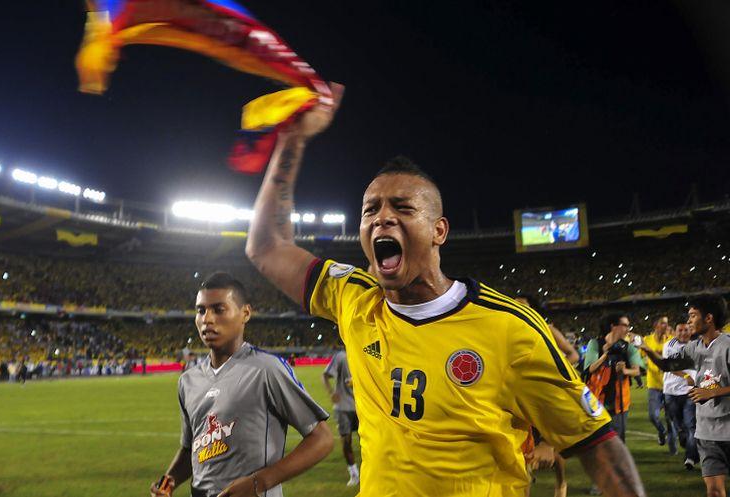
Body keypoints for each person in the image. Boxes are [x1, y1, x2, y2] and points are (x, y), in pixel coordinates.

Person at [245, 83, 645, 497]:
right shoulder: (354, 299)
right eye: (371, 210)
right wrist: (292, 141)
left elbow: (597, 444)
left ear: (439, 231)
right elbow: (266, 246)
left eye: (402, 207)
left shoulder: (508, 328)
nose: (382, 218)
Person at [149, 272, 333, 497]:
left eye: (218, 309)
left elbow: (322, 439)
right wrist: (169, 481)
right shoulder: (188, 381)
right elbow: (192, 449)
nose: (207, 319)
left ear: (245, 313)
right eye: (201, 310)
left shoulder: (266, 370)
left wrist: (260, 482)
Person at [640, 296, 730, 497]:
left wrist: (713, 391)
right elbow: (667, 366)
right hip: (707, 431)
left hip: (729, 427)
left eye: (692, 316)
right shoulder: (695, 346)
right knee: (714, 492)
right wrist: (648, 351)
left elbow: (712, 389)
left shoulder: (727, 345)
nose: (688, 321)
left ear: (708, 318)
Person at [515, 296, 577, 497]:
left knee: (556, 455)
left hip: (546, 396)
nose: (517, 309)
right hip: (520, 399)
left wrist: (552, 370)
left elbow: (573, 354)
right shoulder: (509, 330)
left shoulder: (546, 328)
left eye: (522, 305)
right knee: (523, 456)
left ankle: (561, 487)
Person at [583, 313, 643, 442]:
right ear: (613, 327)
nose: (628, 329)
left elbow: (636, 371)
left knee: (617, 441)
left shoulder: (629, 348)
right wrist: (605, 354)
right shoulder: (595, 344)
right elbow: (590, 368)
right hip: (596, 401)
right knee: (597, 442)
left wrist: (625, 370)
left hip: (619, 402)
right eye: (624, 325)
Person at [661, 322, 698, 470]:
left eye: (686, 330)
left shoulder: (697, 345)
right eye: (680, 330)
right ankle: (687, 443)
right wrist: (686, 376)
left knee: (691, 426)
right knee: (679, 426)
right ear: (675, 332)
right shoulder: (669, 345)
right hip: (671, 391)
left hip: (689, 392)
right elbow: (670, 366)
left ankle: (690, 457)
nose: (683, 333)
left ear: (691, 331)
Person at [322, 349, 359, 486]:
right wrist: (331, 392)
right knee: (346, 442)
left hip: (362, 407)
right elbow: (325, 375)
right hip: (343, 407)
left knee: (367, 443)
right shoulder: (341, 356)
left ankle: (371, 472)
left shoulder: (364, 353)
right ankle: (354, 474)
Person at [642, 316, 676, 453]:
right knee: (653, 416)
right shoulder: (647, 340)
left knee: (670, 419)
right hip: (653, 385)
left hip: (669, 386)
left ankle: (673, 449)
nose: (665, 326)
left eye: (667, 323)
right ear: (656, 325)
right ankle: (661, 432)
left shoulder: (671, 341)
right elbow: (637, 353)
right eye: (663, 323)